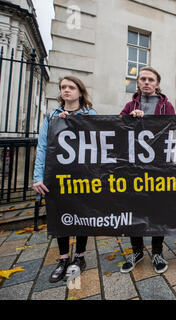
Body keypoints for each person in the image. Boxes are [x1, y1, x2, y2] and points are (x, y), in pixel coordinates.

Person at [33, 76, 97, 283]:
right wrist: (37, 177)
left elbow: (97, 143)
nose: (66, 90)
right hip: (57, 175)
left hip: (82, 176)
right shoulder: (51, 117)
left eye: (71, 87)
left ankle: (79, 257)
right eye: (63, 87)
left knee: (81, 215)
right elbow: (42, 146)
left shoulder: (90, 114)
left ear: (80, 91)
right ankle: (62, 259)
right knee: (60, 214)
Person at [119, 66, 175, 274]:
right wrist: (129, 119)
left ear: (157, 84)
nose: (146, 82)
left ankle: (158, 252)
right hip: (134, 168)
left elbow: (172, 130)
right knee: (134, 210)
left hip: (158, 167)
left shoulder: (166, 105)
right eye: (143, 79)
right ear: (138, 82)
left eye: (151, 79)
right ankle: (137, 250)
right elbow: (116, 129)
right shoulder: (129, 105)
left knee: (158, 210)